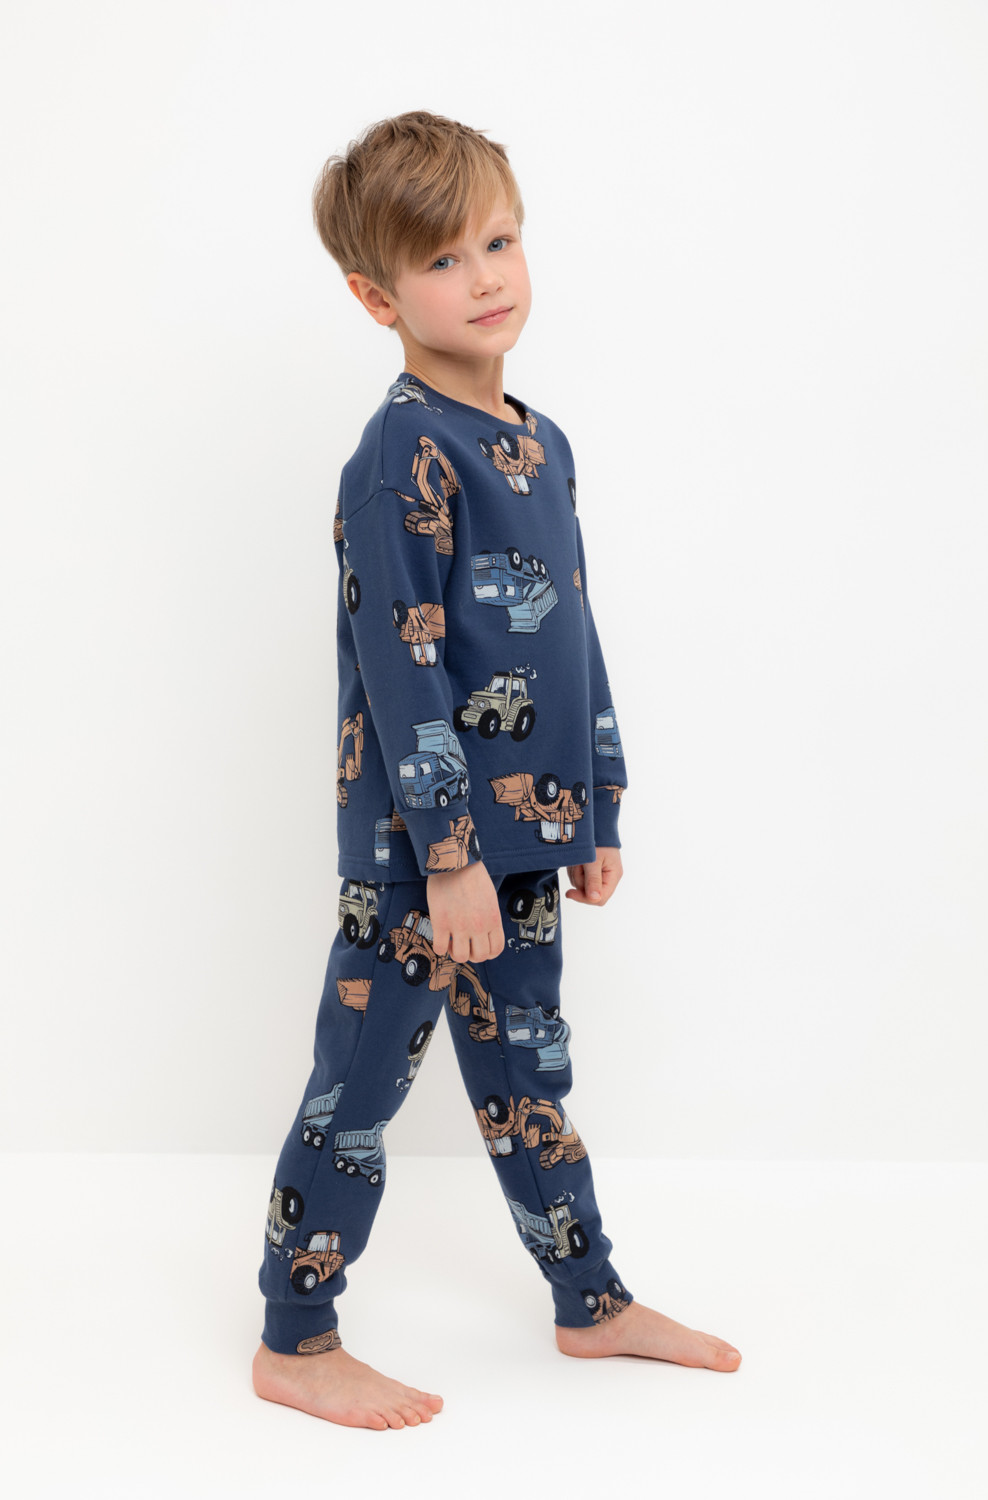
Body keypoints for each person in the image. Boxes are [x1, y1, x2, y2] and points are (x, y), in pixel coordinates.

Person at [252, 110, 741, 1430]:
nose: (485, 278)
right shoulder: (400, 454)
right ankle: (295, 1336)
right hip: (423, 858)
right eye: (443, 260)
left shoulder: (544, 441)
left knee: (531, 1076)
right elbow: (403, 664)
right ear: (376, 298)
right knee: (362, 1085)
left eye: (500, 241)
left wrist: (596, 807)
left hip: (526, 837)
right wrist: (451, 858)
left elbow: (570, 636)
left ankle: (591, 1300)